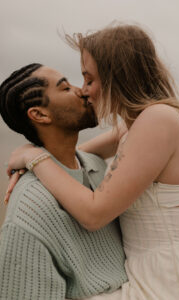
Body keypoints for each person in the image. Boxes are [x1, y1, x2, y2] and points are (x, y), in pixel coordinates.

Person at [6, 23, 179, 299]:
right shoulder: (134, 126)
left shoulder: (157, 120)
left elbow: (94, 214)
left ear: (116, 77)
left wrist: (33, 156)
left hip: (166, 276)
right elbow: (74, 154)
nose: (84, 90)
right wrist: (31, 150)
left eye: (89, 79)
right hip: (144, 269)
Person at [0, 63, 128, 300]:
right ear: (40, 114)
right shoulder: (30, 209)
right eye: (65, 88)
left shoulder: (96, 166)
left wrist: (34, 156)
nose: (81, 91)